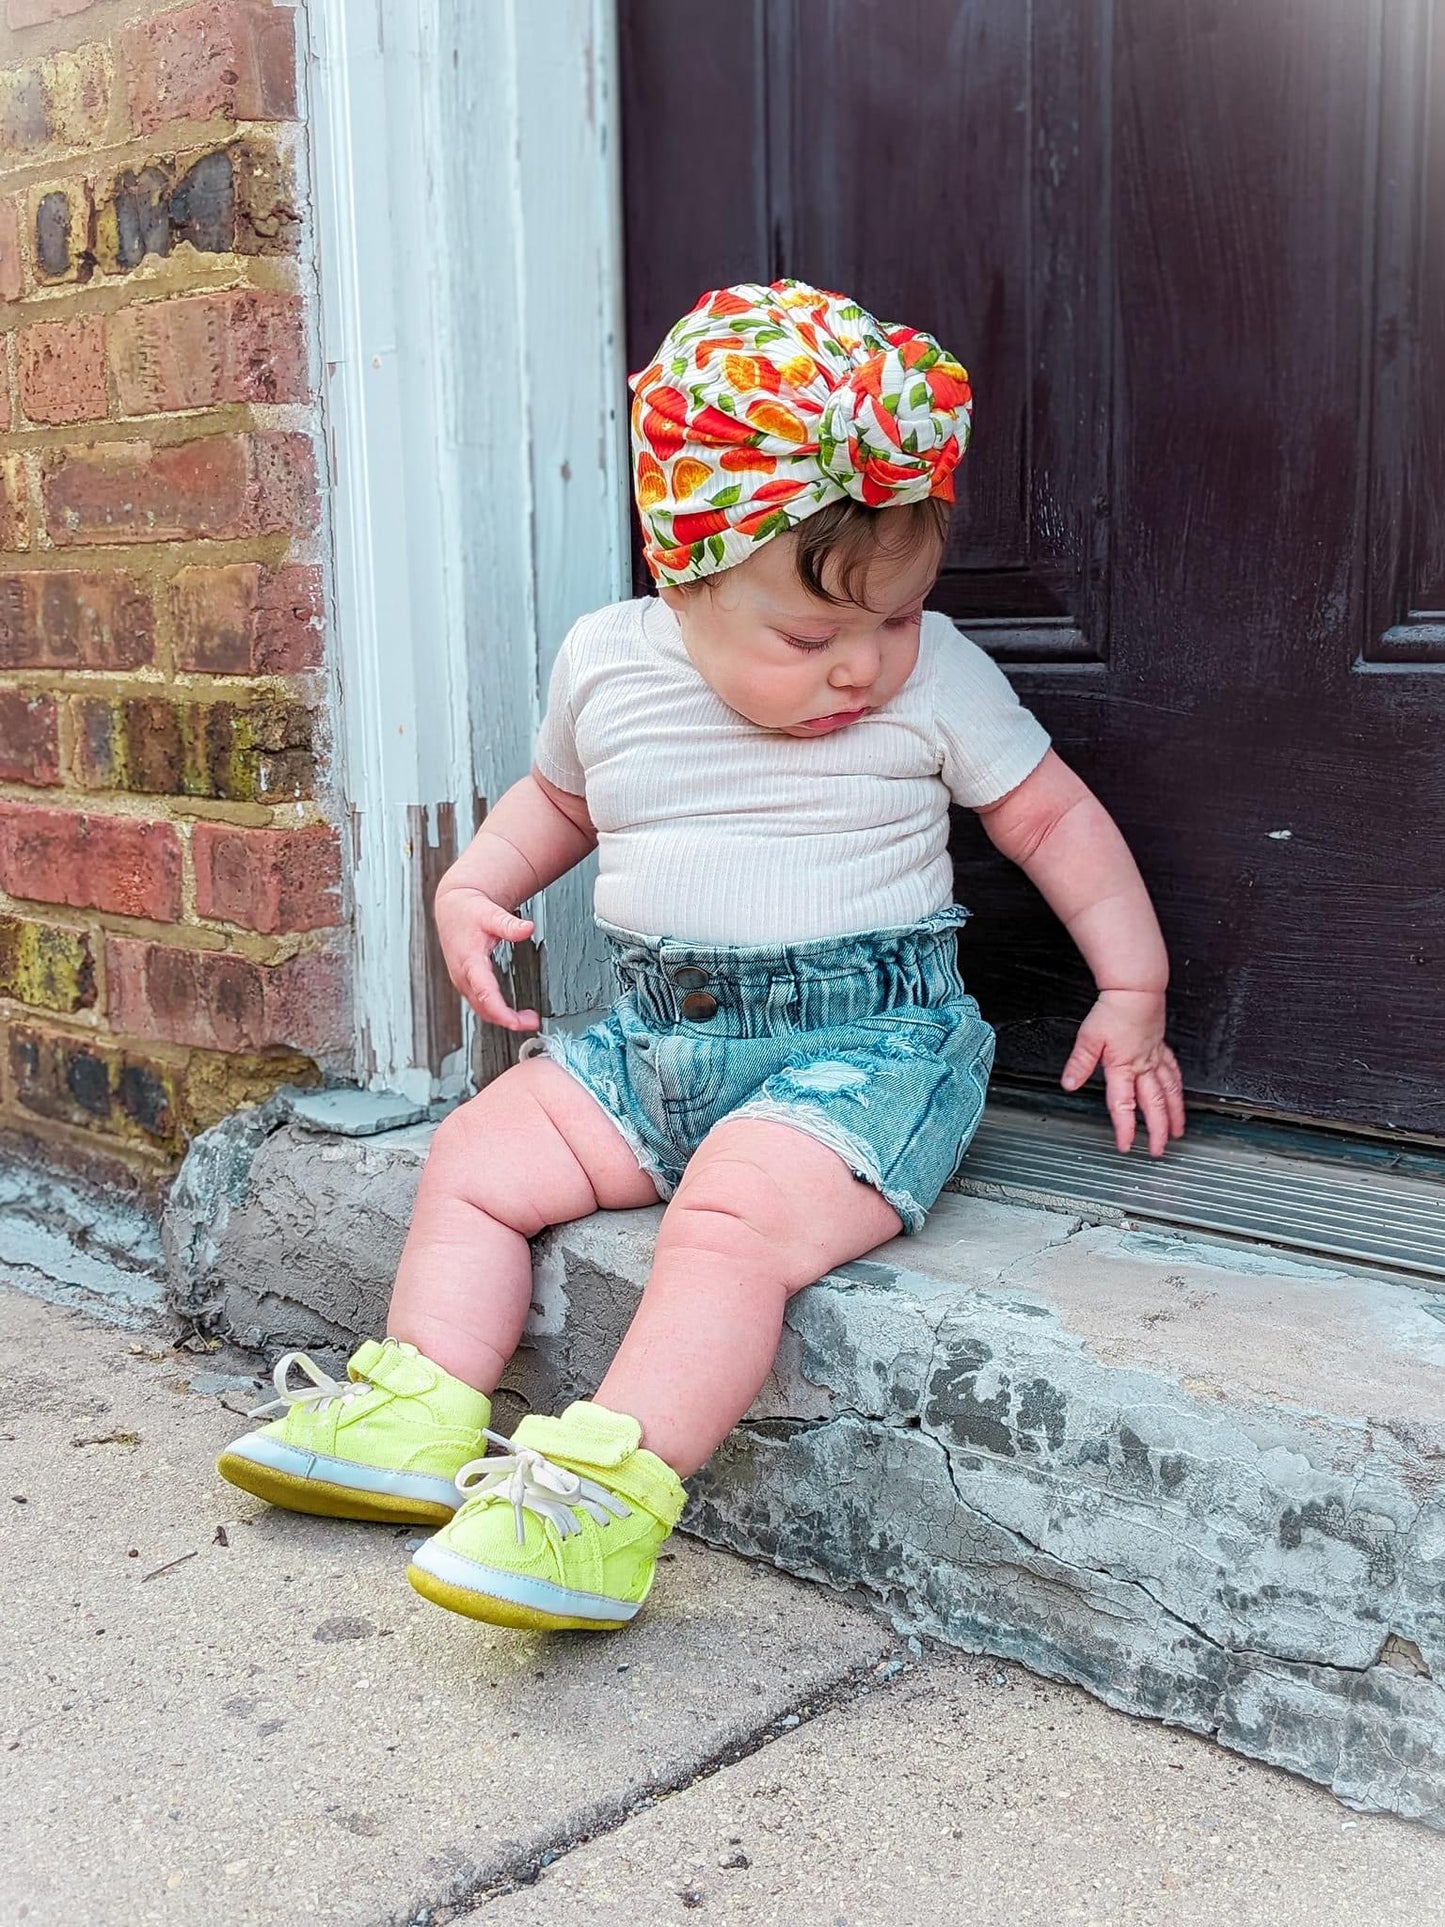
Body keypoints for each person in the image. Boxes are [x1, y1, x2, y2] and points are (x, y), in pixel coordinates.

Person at [218, 280, 1185, 1633]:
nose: (862, 667)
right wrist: (473, 886)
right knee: (478, 1161)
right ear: (683, 576)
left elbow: (1053, 822)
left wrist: (1130, 990)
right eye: (812, 635)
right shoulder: (608, 665)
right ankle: (420, 1407)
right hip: (652, 1036)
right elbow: (556, 803)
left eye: (895, 620)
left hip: (872, 1050)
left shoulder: (943, 680)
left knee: (725, 1218)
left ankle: (603, 1502)